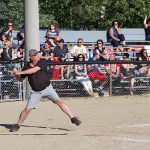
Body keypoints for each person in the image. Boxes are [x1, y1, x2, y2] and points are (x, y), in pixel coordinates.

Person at [10, 49, 81, 132]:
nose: (38, 55)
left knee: (59, 102)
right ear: (32, 57)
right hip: (36, 91)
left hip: (47, 88)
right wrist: (15, 74)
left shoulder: (41, 62)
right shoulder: (26, 67)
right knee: (27, 109)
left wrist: (20, 72)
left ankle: (72, 118)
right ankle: (18, 125)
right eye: (36, 55)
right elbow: (20, 79)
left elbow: (34, 70)